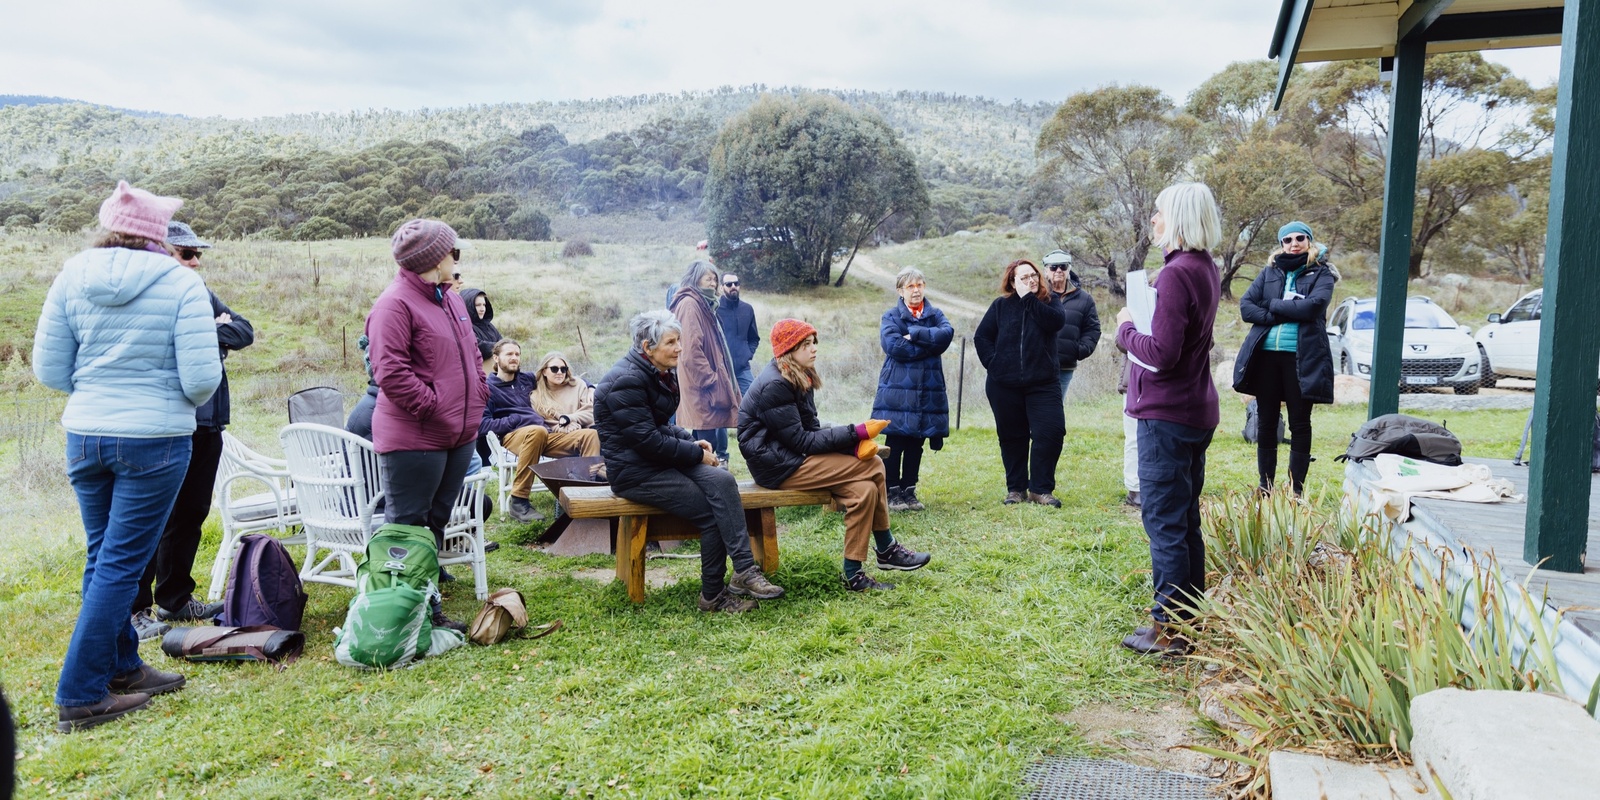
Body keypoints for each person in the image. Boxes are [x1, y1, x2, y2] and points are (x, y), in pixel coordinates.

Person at [33, 180, 222, 732]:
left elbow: (48, 371)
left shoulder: (71, 274)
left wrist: (98, 389)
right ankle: (80, 693)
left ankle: (123, 669)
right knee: (120, 564)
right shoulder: (181, 283)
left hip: (86, 432)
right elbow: (201, 380)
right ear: (158, 234)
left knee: (104, 557)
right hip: (154, 439)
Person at [594, 310, 784, 612]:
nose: (680, 348)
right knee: (711, 512)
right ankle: (713, 596)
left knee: (723, 479)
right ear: (647, 347)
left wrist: (687, 439)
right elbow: (647, 441)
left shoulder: (654, 372)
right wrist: (695, 453)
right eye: (671, 342)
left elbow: (658, 425)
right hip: (635, 472)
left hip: (655, 461)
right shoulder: (626, 382)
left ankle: (745, 570)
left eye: (679, 340)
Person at [128, 221, 255, 642]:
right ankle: (135, 609)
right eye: (187, 253)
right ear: (161, 252)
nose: (196, 260)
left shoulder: (198, 289)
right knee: (152, 516)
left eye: (198, 252)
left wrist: (206, 330)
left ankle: (175, 597)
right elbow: (169, 340)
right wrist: (210, 331)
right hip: (169, 421)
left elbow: (244, 330)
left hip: (209, 421)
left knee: (192, 512)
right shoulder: (148, 293)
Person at [740, 319, 932, 591]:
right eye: (805, 344)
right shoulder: (776, 384)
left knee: (864, 490)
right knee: (875, 464)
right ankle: (887, 549)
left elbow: (811, 429)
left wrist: (850, 445)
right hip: (776, 466)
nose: (814, 349)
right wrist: (856, 433)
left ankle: (853, 574)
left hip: (791, 457)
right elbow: (802, 440)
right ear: (788, 349)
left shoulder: (798, 374)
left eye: (813, 342)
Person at [1114, 182, 1224, 657]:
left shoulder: (1178, 273)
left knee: (1163, 522)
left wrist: (1124, 329)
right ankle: (1188, 619)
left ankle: (1169, 631)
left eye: (1158, 213)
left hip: (1167, 413)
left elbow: (1161, 354)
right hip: (1194, 409)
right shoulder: (1205, 268)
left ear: (1177, 217)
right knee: (1184, 519)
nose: (1153, 221)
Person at [365, 219, 488, 632]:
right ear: (435, 259)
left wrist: (478, 398)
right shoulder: (394, 305)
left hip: (458, 434)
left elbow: (472, 353)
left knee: (435, 523)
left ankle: (425, 604)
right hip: (415, 437)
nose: (458, 258)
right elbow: (390, 372)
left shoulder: (449, 298)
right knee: (407, 526)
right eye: (454, 251)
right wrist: (434, 407)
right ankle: (399, 614)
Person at [1232, 221, 1337, 496]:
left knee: (1300, 423)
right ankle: (1265, 487)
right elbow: (1246, 307)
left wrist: (1273, 306)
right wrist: (1282, 313)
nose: (1294, 243)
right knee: (1266, 421)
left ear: (1309, 241)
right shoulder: (1269, 273)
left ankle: (1296, 491)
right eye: (1287, 239)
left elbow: (1313, 306)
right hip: (1267, 357)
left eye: (1300, 238)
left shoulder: (1322, 273)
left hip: (1302, 358)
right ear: (1281, 244)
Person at [974, 259, 1067, 507]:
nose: (1031, 280)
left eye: (1033, 275)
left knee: (1051, 432)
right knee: (1012, 436)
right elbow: (982, 337)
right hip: (1004, 384)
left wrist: (1028, 299)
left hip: (1043, 383)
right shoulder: (1000, 306)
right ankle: (1016, 489)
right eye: (1023, 278)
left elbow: (1055, 323)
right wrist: (995, 364)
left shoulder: (1051, 303)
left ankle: (1040, 489)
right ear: (1012, 283)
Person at [482, 339, 599, 523]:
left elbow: (561, 372)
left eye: (517, 354)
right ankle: (519, 501)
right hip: (514, 437)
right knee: (536, 431)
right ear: (496, 358)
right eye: (509, 354)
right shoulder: (487, 388)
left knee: (590, 435)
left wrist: (590, 386)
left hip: (544, 435)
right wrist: (515, 420)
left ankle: (584, 494)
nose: (514, 358)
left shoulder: (526, 379)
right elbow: (483, 425)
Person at [871, 267, 953, 512]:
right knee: (895, 440)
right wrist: (930, 346)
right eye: (910, 286)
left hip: (927, 389)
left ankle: (910, 490)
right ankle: (891, 491)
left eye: (919, 285)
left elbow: (946, 334)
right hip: (897, 390)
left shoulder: (935, 314)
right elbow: (895, 346)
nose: (916, 290)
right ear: (900, 290)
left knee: (917, 441)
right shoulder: (891, 316)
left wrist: (915, 333)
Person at [668, 260, 741, 466]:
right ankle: (708, 483)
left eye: (715, 279)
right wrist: (712, 380)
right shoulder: (691, 304)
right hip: (702, 388)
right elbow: (691, 352)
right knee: (708, 441)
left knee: (704, 438)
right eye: (708, 278)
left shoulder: (704, 304)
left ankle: (704, 480)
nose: (713, 283)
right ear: (694, 279)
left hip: (705, 388)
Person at [1043, 250, 1101, 401]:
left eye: (1063, 266)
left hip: (1064, 366)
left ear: (1069, 269)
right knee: (1033, 408)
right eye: (1053, 267)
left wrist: (1078, 350)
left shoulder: (1085, 299)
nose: (1058, 271)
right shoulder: (1037, 296)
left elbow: (1092, 329)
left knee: (1055, 408)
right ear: (1045, 270)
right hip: (1036, 363)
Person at [715, 272, 761, 395]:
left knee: (753, 401)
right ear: (721, 287)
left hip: (742, 370)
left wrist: (747, 354)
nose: (733, 286)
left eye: (736, 283)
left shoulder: (747, 309)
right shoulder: (715, 310)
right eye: (729, 284)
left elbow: (754, 338)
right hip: (720, 370)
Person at [530, 351, 596, 432]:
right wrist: (562, 427)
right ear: (544, 371)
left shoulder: (578, 385)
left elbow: (590, 412)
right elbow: (546, 423)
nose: (559, 372)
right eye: (554, 369)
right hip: (559, 437)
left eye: (563, 369)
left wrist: (569, 418)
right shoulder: (536, 396)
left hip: (586, 432)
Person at [461, 287, 501, 366]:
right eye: (478, 305)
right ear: (467, 306)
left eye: (484, 305)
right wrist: (502, 347)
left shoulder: (489, 325)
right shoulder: (464, 327)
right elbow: (478, 347)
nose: (482, 309)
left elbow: (502, 341)